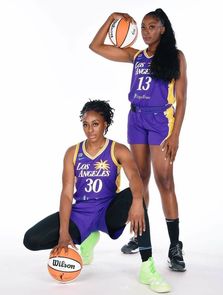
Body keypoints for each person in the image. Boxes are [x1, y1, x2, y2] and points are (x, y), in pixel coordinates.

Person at [23, 100, 171, 293]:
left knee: (136, 195)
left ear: (105, 125)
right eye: (85, 124)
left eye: (95, 124)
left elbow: (136, 177)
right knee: (31, 240)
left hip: (108, 211)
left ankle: (147, 267)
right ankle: (88, 237)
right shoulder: (72, 153)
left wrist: (136, 202)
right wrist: (64, 233)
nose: (90, 129)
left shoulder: (118, 149)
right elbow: (67, 193)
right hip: (81, 214)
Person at [89, 9, 187, 272]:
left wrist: (175, 134)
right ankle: (140, 235)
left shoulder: (175, 57)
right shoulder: (136, 56)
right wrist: (111, 19)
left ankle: (175, 245)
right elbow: (95, 46)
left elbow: (182, 97)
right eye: (143, 27)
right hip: (136, 119)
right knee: (140, 178)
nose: (145, 32)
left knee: (164, 180)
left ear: (163, 29)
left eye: (151, 27)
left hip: (160, 122)